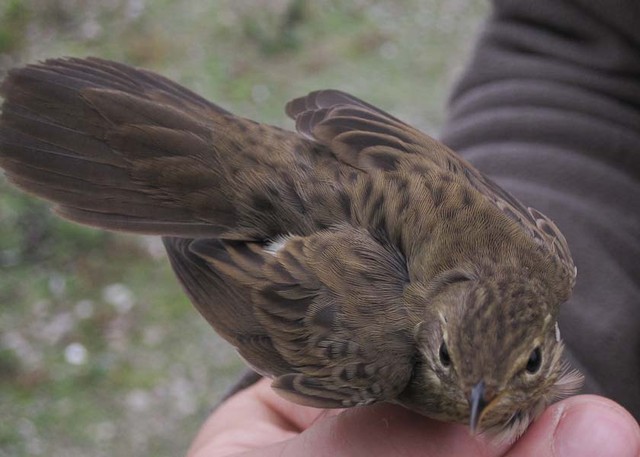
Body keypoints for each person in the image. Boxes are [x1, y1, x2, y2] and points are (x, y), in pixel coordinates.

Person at [187, 0, 640, 455]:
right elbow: (586, 58)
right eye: (446, 358)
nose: (475, 400)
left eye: (532, 363)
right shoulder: (548, 269)